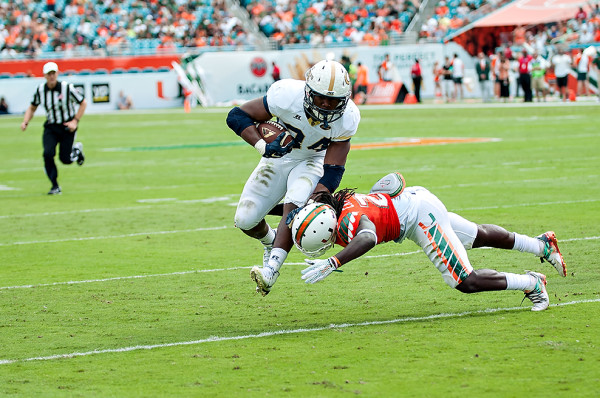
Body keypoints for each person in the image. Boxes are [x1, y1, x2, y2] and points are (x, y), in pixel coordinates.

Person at [291, 172, 567, 312]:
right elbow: (297, 208)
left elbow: (368, 237)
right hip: (414, 200)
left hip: (419, 218)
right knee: (477, 235)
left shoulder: (349, 222)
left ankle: (532, 283)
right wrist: (259, 210)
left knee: (464, 281)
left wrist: (334, 261)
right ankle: (541, 245)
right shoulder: (331, 205)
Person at [225, 59, 360, 296]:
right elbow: (237, 116)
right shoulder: (286, 95)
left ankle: (271, 271)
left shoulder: (347, 117)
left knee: (295, 202)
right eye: (321, 98)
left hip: (313, 160)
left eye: (334, 100)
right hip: (278, 156)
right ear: (309, 91)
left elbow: (334, 168)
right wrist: (262, 147)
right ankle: (270, 240)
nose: (327, 105)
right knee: (245, 220)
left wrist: (317, 196)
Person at [20, 62, 87, 195]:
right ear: (45, 75)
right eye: (49, 74)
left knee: (65, 159)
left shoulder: (67, 88)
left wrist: (75, 121)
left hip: (67, 126)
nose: (51, 76)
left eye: (53, 73)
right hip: (51, 126)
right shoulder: (40, 90)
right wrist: (25, 121)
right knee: (47, 154)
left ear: (57, 73)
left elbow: (83, 102)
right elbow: (32, 107)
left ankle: (76, 150)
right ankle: (54, 185)